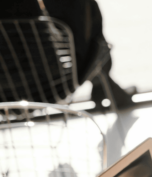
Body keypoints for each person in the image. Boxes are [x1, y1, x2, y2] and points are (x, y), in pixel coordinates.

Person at [1, 0, 135, 109]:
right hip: (52, 84)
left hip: (3, 95)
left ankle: (101, 82)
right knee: (82, 13)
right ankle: (101, 80)